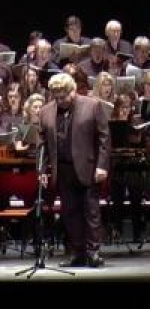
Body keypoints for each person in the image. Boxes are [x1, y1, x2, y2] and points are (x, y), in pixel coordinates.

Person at [38, 72, 110, 268]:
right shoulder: (45, 112)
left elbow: (104, 138)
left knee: (91, 211)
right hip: (62, 169)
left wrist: (102, 166)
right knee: (70, 213)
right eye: (57, 97)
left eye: (64, 97)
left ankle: (93, 252)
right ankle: (77, 253)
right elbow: (42, 144)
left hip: (88, 167)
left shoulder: (92, 105)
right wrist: (42, 170)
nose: (60, 101)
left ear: (73, 91)